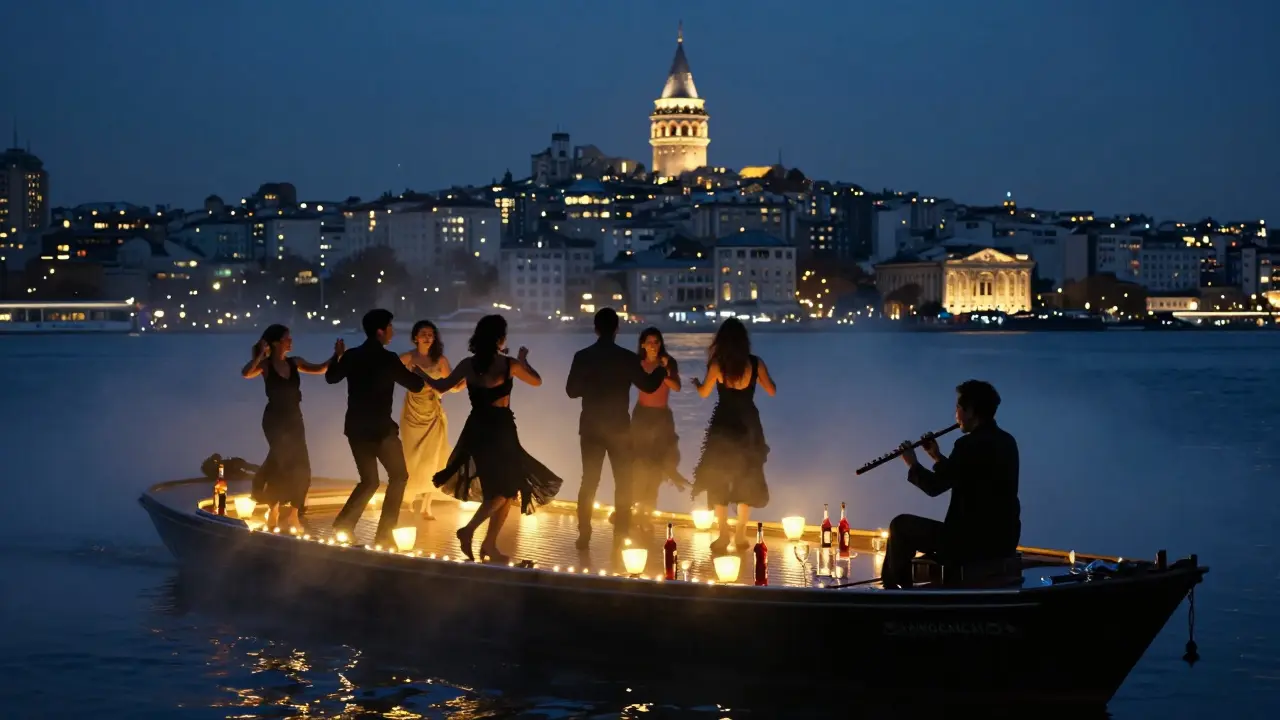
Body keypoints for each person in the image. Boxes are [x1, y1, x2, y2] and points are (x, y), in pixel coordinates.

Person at [421, 314, 563, 563]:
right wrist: (523, 361)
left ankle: (489, 545)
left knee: (503, 490)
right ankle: (469, 530)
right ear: (499, 338)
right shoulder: (509, 365)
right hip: (500, 429)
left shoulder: (468, 364)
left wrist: (422, 376)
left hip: (479, 429)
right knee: (505, 489)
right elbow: (537, 381)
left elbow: (442, 387)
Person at [885, 379, 1021, 589]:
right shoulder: (1007, 441)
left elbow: (935, 487)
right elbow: (968, 475)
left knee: (900, 526)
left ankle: (896, 592)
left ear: (971, 411)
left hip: (968, 542)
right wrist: (937, 456)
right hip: (1002, 540)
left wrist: (912, 463)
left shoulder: (968, 444)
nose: (955, 414)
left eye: (958, 407)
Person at [565, 308, 668, 549]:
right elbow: (649, 385)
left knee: (589, 481)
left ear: (596, 328)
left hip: (590, 426)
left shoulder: (583, 356)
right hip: (619, 428)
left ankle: (584, 533)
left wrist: (590, 384)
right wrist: (662, 368)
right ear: (617, 330)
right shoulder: (626, 358)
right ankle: (621, 532)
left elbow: (571, 391)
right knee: (623, 481)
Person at [325, 309, 427, 546]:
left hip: (356, 429)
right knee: (399, 477)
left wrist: (336, 356)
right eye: (390, 327)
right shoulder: (388, 359)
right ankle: (384, 533)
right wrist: (418, 371)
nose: (392, 331)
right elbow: (415, 386)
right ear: (380, 331)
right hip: (381, 430)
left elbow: (331, 378)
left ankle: (344, 524)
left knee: (369, 481)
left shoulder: (351, 356)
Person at [690, 318, 776, 553]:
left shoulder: (718, 365)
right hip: (749, 426)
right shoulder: (755, 364)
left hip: (724, 426)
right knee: (746, 477)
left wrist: (698, 383)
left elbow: (704, 393)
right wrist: (762, 378)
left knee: (718, 478)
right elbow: (771, 391)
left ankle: (723, 535)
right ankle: (740, 535)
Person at [239, 324, 333, 532]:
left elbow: (320, 368)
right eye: (286, 338)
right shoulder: (265, 366)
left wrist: (336, 356)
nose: (290, 341)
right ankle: (273, 508)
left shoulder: (295, 362)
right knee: (281, 463)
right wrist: (260, 355)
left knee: (302, 467)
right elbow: (246, 373)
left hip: (294, 419)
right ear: (275, 342)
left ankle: (293, 514)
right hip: (274, 420)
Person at [399, 320, 460, 520]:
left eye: (431, 334)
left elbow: (451, 385)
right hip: (412, 412)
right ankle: (408, 496)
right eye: (423, 333)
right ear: (415, 337)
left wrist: (467, 380)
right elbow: (388, 370)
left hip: (433, 412)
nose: (427, 337)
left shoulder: (440, 360)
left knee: (432, 457)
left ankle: (426, 505)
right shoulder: (408, 357)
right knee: (411, 454)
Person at [630, 327, 689, 532]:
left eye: (657, 342)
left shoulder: (668, 362)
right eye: (650, 342)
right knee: (640, 465)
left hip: (662, 418)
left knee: (657, 467)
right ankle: (636, 510)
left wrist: (662, 371)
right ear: (643, 344)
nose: (654, 346)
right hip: (642, 416)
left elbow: (677, 386)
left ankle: (647, 513)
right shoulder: (638, 363)